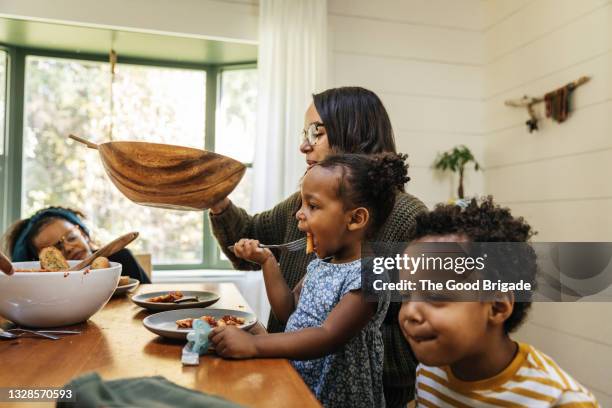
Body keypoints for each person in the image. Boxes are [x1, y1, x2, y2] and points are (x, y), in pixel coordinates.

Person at [209, 86, 427, 406]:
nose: (303, 144)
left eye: (316, 132)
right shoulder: (306, 203)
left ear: (354, 135)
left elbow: (423, 336)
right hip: (288, 379)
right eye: (304, 132)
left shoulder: (411, 220)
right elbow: (249, 239)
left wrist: (332, 341)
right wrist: (216, 200)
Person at [399, 197, 599, 407]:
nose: (410, 312)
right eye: (405, 296)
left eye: (436, 296)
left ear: (496, 306)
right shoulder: (429, 372)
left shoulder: (560, 401)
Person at [2, 206, 150, 283]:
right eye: (55, 250)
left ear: (84, 234)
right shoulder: (43, 288)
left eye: (72, 237)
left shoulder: (119, 259)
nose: (68, 247)